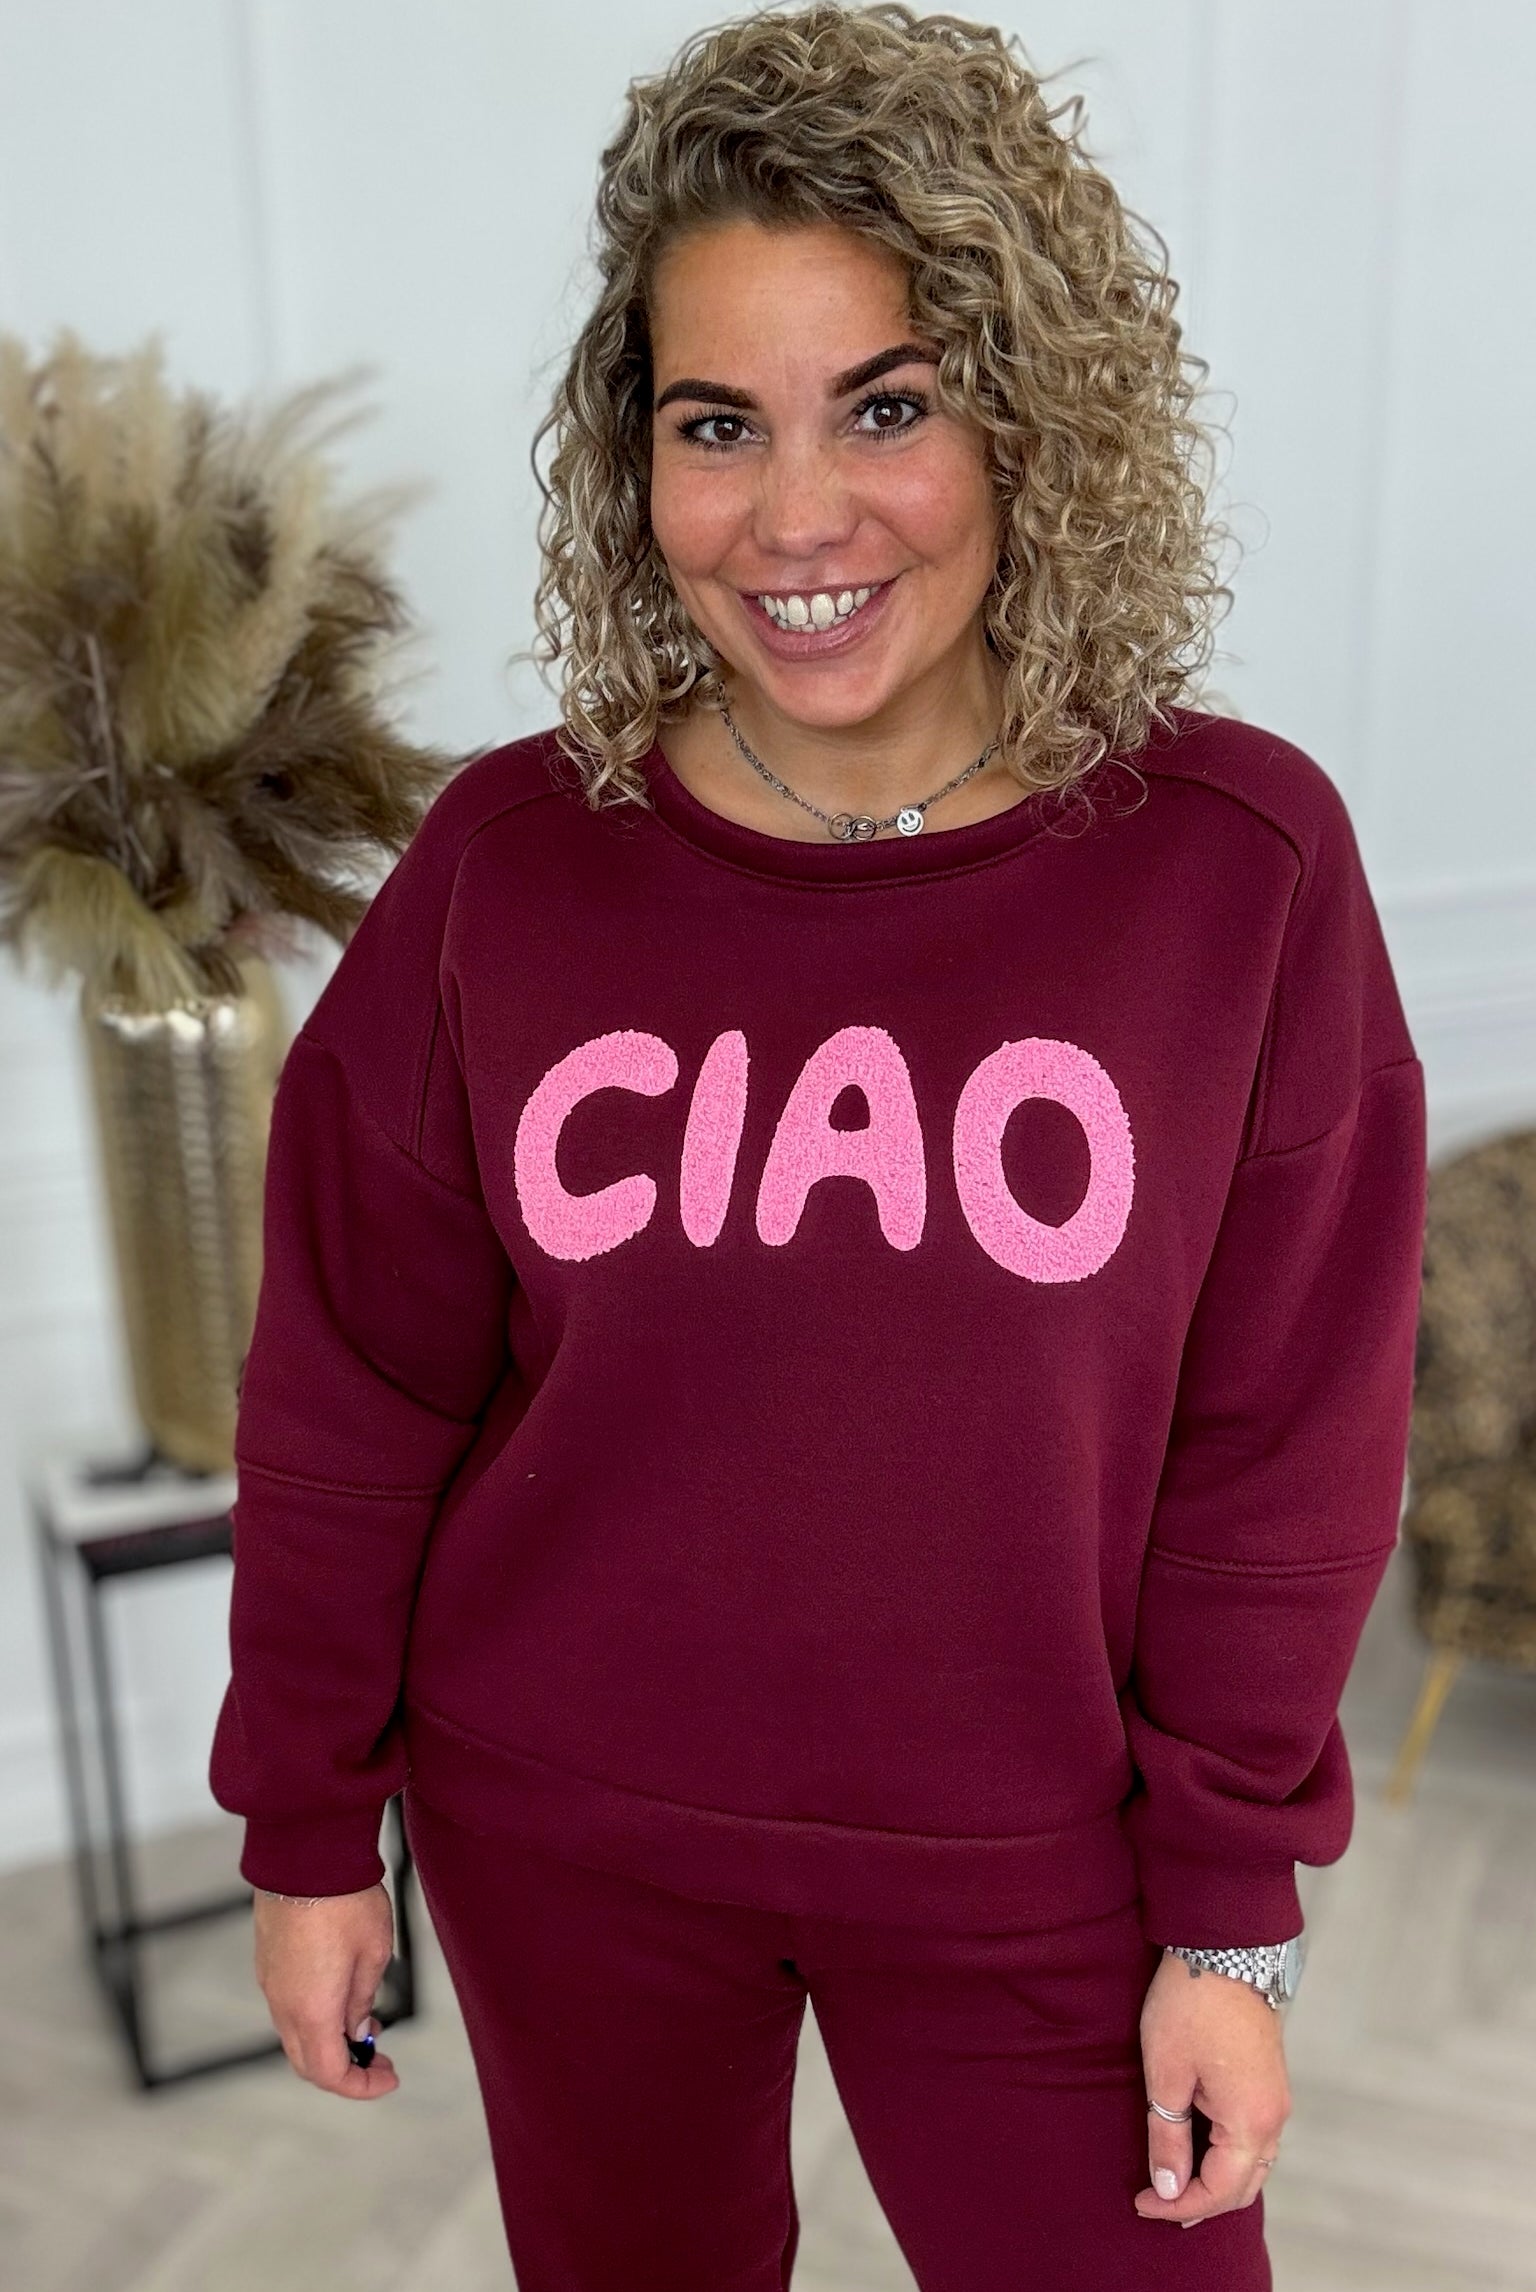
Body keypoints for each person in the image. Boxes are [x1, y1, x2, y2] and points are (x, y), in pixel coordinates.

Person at [209, 6, 1427, 2287]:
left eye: (887, 405)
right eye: (716, 424)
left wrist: (1229, 1919)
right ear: (634, 463)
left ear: (1031, 415)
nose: (793, 517)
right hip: (564, 1833)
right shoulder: (508, 868)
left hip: (1038, 1865)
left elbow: (1286, 1445)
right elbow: (353, 1386)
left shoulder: (1234, 868)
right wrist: (305, 1820)